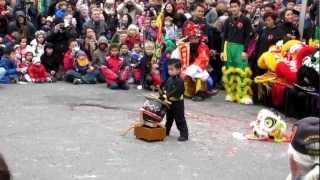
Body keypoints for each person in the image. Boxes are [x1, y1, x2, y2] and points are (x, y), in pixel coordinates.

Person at [221, 0, 253, 104]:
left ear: (240, 7)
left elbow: (248, 37)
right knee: (229, 70)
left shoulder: (246, 20)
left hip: (240, 48)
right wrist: (222, 51)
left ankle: (243, 95)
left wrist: (245, 51)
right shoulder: (228, 20)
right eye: (232, 7)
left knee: (242, 71)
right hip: (229, 47)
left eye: (235, 6)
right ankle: (231, 93)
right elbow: (224, 37)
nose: (233, 9)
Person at [159, 58, 189, 142]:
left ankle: (184, 134)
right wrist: (161, 91)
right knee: (169, 118)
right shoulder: (169, 79)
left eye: (172, 69)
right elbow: (164, 87)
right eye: (169, 69)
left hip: (177, 103)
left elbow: (177, 91)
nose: (170, 71)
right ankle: (166, 131)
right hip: (169, 102)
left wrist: (167, 95)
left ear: (179, 70)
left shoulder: (180, 81)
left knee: (179, 119)